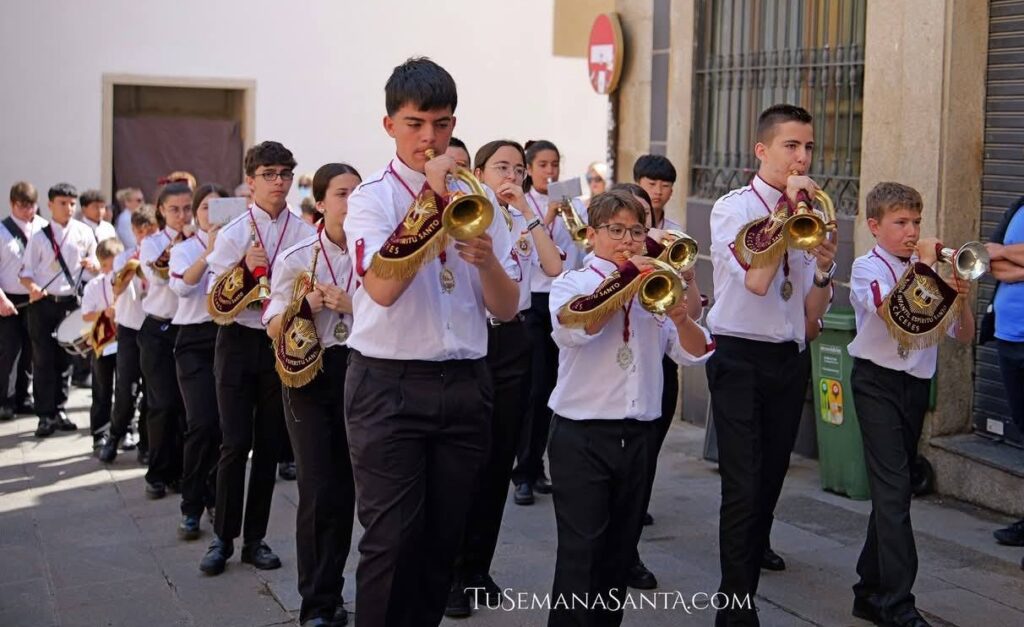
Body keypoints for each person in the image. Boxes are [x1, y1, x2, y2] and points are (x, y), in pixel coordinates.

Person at [342, 56, 519, 625]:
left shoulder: (479, 197)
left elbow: (507, 308)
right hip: (389, 385)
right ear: (390, 124)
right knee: (391, 541)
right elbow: (381, 289)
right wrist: (433, 202)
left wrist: (488, 261)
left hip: (465, 383)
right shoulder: (371, 199)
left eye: (441, 125)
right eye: (416, 124)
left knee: (443, 541)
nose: (429, 138)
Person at [545, 190, 713, 626]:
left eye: (636, 231)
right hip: (582, 436)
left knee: (619, 554)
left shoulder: (657, 285)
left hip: (637, 435)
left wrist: (681, 317)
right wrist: (625, 278)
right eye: (616, 230)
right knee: (581, 554)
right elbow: (578, 326)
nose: (627, 240)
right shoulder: (572, 283)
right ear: (592, 234)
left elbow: (695, 353)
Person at [706, 104, 837, 626]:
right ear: (762, 150)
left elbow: (810, 318)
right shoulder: (733, 210)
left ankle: (752, 550)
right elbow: (759, 282)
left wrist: (824, 269)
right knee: (742, 482)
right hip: (739, 356)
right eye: (791, 146)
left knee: (772, 475)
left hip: (788, 356)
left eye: (808, 147)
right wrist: (785, 212)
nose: (802, 157)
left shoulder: (811, 214)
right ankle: (735, 607)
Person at [847, 182, 974, 627]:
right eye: (900, 222)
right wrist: (924, 263)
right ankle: (898, 605)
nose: (911, 231)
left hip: (914, 386)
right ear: (874, 225)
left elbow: (963, 336)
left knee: (893, 493)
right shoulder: (866, 268)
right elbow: (897, 313)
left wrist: (961, 298)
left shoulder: (927, 272)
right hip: (876, 384)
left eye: (916, 222)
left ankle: (868, 592)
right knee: (895, 490)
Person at [445, 139, 563, 617]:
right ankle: (452, 573)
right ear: (478, 172)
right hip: (474, 338)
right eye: (501, 167)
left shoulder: (519, 219)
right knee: (466, 464)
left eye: (517, 168)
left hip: (514, 337)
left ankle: (478, 567)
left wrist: (529, 213)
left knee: (498, 460)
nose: (511, 175)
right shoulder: (464, 215)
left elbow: (554, 266)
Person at [200, 141, 315, 576]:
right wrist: (245, 271)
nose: (278, 182)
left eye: (285, 174)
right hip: (236, 341)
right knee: (234, 442)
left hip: (277, 341)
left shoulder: (304, 232)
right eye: (269, 174)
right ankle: (222, 538)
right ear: (251, 181)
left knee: (269, 443)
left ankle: (255, 540)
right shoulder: (233, 232)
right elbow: (214, 299)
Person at [265, 162, 361, 627]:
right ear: (320, 203)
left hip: (364, 370)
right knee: (320, 487)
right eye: (342, 193)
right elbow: (270, 324)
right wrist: (304, 306)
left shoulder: (376, 251)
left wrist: (352, 305)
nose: (352, 201)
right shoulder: (297, 256)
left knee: (356, 488)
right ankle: (319, 603)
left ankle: (345, 588)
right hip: (311, 374)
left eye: (358, 192)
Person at [610, 181, 704, 590]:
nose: (635, 234)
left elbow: (692, 316)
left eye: (642, 224)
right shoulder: (599, 267)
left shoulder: (665, 256)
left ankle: (628, 552)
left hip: (655, 373)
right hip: (606, 387)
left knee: (643, 467)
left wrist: (686, 277)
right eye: (625, 226)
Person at [514, 138, 579, 506]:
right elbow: (529, 249)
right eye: (543, 165)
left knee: (556, 387)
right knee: (536, 388)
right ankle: (524, 471)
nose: (550, 171)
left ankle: (539, 467)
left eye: (555, 164)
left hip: (563, 297)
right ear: (529, 168)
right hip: (534, 300)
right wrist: (549, 216)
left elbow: (580, 247)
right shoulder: (521, 205)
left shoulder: (574, 203)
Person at [170, 183, 228, 540]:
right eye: (205, 207)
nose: (211, 215)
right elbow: (183, 286)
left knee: (227, 427)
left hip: (227, 336)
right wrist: (209, 253)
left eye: (219, 207)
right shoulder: (184, 249)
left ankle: (216, 498)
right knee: (202, 423)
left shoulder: (239, 246)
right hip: (193, 340)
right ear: (195, 213)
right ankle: (190, 505)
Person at [20, 182, 98, 437]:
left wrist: (93, 264)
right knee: (43, 360)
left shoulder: (84, 232)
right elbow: (25, 273)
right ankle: (45, 415)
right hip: (43, 303)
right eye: (63, 203)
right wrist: (32, 287)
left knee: (66, 360)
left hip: (70, 302)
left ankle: (60, 409)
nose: (68, 208)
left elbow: (97, 262)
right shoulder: (38, 236)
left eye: (72, 203)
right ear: (50, 204)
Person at [138, 182, 192, 499]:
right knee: (162, 403)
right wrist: (179, 243)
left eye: (187, 208)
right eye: (174, 209)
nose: (182, 215)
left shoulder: (201, 241)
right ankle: (157, 472)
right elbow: (159, 277)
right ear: (161, 210)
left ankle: (182, 472)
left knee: (187, 406)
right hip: (158, 329)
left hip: (187, 329)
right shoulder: (152, 243)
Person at [98, 207, 157, 464]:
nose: (144, 237)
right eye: (139, 232)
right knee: (126, 388)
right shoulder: (123, 258)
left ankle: (146, 444)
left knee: (152, 390)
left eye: (149, 231)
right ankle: (115, 435)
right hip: (130, 328)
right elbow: (117, 289)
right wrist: (131, 267)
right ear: (133, 232)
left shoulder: (162, 255)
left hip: (153, 327)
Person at [0, 181, 46, 421]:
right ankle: (5, 400)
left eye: (31, 205)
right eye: (22, 206)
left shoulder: (43, 228)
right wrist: (1, 299)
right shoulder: (2, 231)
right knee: (9, 350)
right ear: (12, 204)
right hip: (8, 297)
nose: (28, 211)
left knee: (31, 348)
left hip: (35, 296)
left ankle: (23, 397)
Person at [81, 237, 122, 450]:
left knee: (125, 388)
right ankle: (99, 433)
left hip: (124, 340)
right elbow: (86, 315)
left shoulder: (128, 281)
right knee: (102, 388)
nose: (110, 270)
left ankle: (125, 430)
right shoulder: (94, 285)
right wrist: (104, 313)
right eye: (105, 265)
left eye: (114, 265)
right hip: (103, 342)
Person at [633, 154, 681, 232]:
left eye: (665, 185)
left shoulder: (675, 231)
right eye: (652, 184)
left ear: (671, 191)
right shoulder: (623, 225)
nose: (658, 191)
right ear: (637, 185)